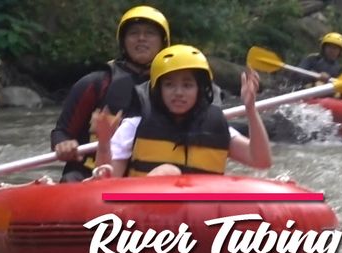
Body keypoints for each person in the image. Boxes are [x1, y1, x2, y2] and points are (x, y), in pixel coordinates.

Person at [92, 45, 271, 178]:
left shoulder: (217, 126)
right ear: (158, 89)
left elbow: (261, 160)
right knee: (168, 172)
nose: (178, 93)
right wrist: (104, 144)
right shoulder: (134, 126)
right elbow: (107, 181)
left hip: (201, 212)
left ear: (199, 89)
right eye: (169, 85)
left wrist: (250, 109)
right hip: (145, 212)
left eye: (187, 85)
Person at [50, 5, 169, 182]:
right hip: (91, 173)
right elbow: (61, 132)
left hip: (145, 176)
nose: (141, 38)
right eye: (134, 33)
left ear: (163, 42)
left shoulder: (173, 89)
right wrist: (63, 144)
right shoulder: (96, 83)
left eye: (150, 33)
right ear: (123, 42)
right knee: (71, 179)